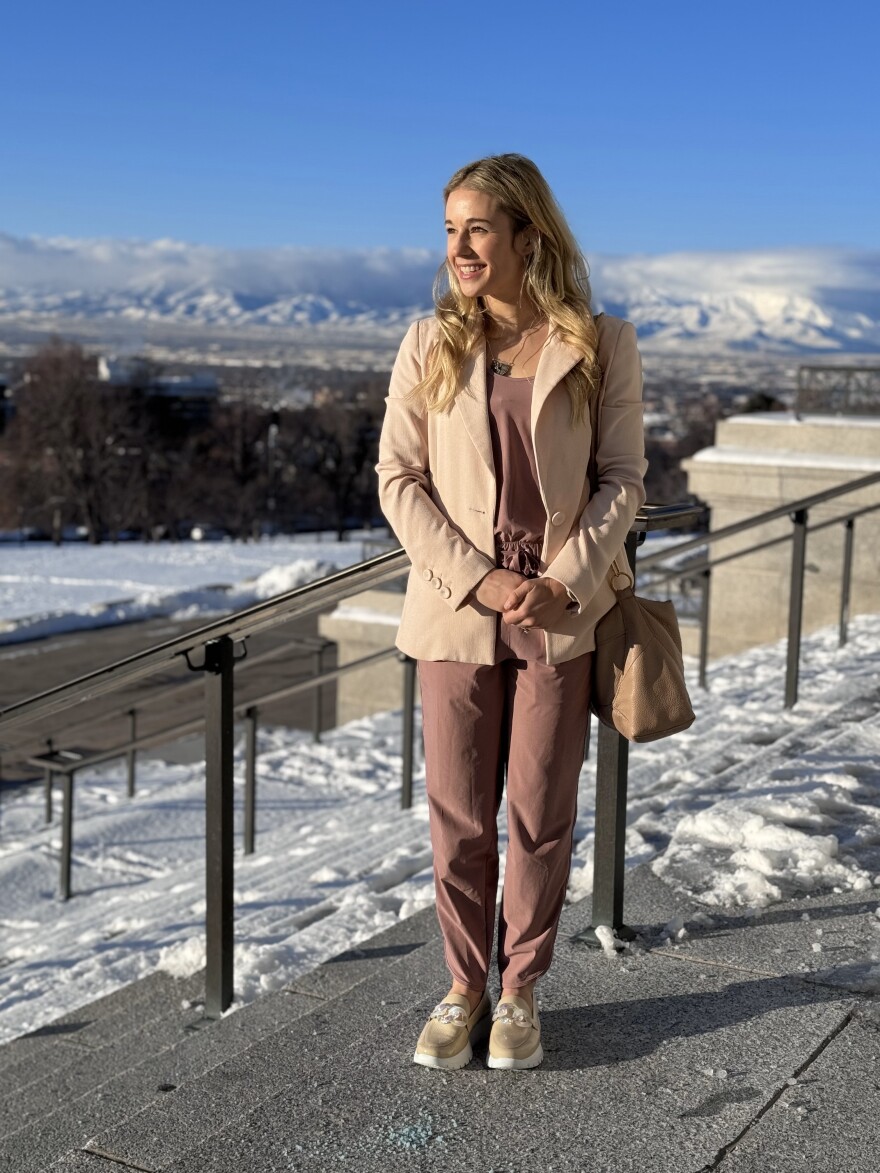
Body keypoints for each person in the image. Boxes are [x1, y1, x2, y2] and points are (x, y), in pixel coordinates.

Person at [375, 153, 647, 1070]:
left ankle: (521, 991)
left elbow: (623, 479)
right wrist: (479, 578)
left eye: (477, 228)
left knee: (537, 810)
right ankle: (462, 987)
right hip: (458, 608)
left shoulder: (602, 341)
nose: (459, 247)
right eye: (450, 229)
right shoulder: (428, 343)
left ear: (529, 234)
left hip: (558, 611)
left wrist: (566, 575)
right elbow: (398, 480)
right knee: (459, 814)